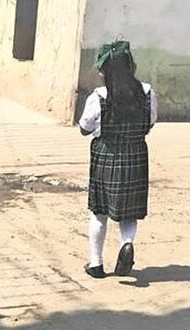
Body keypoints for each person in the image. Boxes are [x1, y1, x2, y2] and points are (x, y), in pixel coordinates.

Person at [78, 41, 157, 279]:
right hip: (136, 156)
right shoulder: (147, 92)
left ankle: (96, 263)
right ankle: (127, 242)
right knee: (128, 212)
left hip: (107, 156)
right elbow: (150, 122)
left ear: (105, 71)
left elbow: (84, 127)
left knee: (99, 212)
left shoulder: (99, 96)